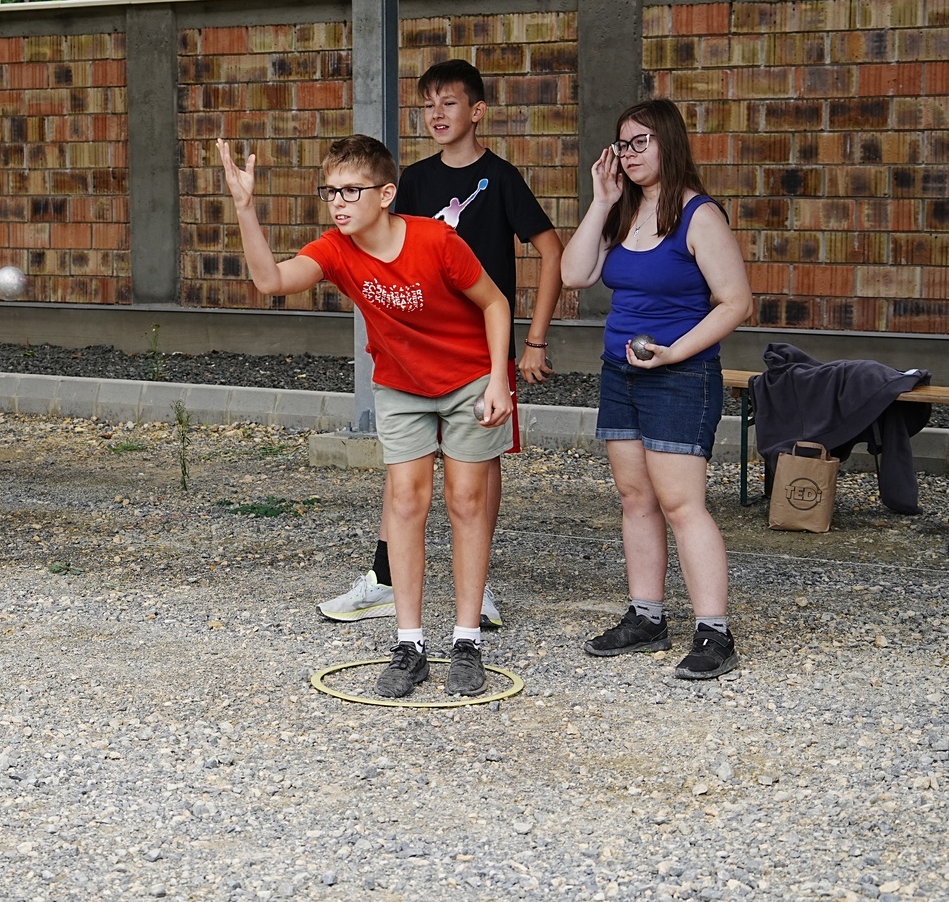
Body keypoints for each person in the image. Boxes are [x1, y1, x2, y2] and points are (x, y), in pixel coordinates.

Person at [219, 134, 513, 698]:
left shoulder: (435, 240)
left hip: (469, 378)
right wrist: (245, 207)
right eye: (331, 191)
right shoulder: (336, 249)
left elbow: (495, 302)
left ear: (385, 194)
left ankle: (467, 640)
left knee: (467, 501)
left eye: (352, 190)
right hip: (400, 385)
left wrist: (499, 377)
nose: (339, 202)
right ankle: (409, 645)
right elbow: (271, 282)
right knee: (405, 501)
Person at [317, 59, 563, 631]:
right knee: (406, 475)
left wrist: (535, 340)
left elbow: (552, 251)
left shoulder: (501, 177)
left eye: (448, 102)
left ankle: (478, 588)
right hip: (415, 350)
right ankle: (385, 577)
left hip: (482, 346)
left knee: (477, 470)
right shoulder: (410, 181)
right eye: (427, 104)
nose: (436, 114)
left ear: (477, 111)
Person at [560, 98, 752, 680]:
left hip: (680, 375)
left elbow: (736, 303)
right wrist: (601, 201)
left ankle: (714, 632)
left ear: (670, 142)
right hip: (619, 373)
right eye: (623, 144)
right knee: (635, 498)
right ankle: (647, 617)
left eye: (641, 141)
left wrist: (675, 352)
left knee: (681, 503)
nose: (629, 153)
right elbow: (574, 275)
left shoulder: (699, 216)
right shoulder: (622, 211)